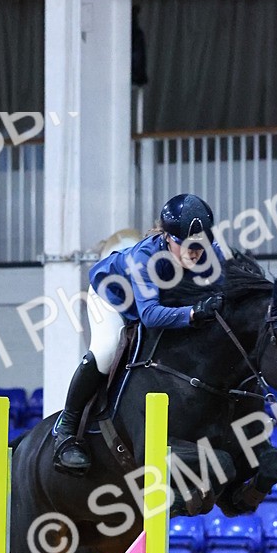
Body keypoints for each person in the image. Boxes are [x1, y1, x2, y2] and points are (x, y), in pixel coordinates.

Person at [53, 193, 225, 473]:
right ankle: (66, 429)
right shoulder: (144, 258)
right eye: (186, 246)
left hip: (155, 302)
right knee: (107, 350)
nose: (195, 253)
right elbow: (150, 315)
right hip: (113, 298)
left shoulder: (212, 253)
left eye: (200, 245)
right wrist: (193, 313)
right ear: (168, 238)